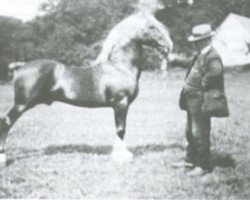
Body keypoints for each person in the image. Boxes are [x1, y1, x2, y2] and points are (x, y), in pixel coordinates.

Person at [168, 24, 229, 176]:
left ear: (206, 40)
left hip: (200, 100)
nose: (195, 43)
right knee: (190, 131)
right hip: (191, 99)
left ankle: (203, 165)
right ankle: (190, 160)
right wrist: (173, 59)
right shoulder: (200, 54)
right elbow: (188, 62)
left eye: (198, 40)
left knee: (199, 132)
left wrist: (201, 83)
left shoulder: (212, 56)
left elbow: (216, 71)